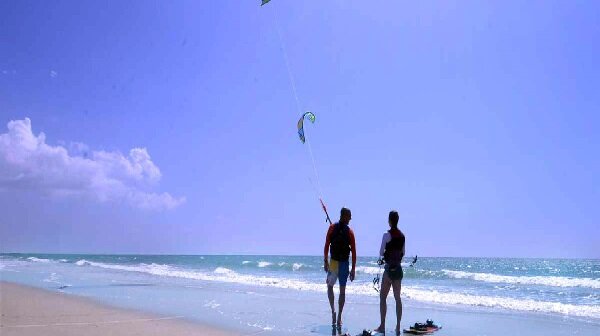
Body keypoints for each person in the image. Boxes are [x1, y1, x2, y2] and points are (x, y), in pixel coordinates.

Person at [323, 207, 357, 327]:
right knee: (335, 289)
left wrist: (326, 261)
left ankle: (337, 315)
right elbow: (354, 252)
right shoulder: (349, 232)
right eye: (349, 216)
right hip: (339, 263)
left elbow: (327, 245)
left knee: (333, 288)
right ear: (344, 216)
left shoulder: (333, 228)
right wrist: (353, 269)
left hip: (336, 263)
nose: (351, 218)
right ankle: (336, 314)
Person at [374, 211, 405, 335]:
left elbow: (381, 252)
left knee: (383, 297)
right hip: (398, 270)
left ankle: (382, 326)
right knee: (398, 299)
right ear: (398, 220)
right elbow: (404, 253)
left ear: (389, 220)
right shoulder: (403, 236)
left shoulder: (386, 235)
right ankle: (397, 327)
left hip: (388, 271)